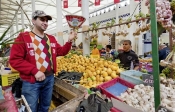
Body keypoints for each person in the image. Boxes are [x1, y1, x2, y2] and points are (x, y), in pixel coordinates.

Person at [9, 10, 77, 112]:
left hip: (49, 79)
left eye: (46, 20)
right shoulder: (23, 37)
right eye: (42, 19)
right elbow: (14, 60)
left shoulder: (51, 39)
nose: (45, 22)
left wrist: (69, 41)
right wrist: (34, 71)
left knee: (45, 106)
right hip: (31, 81)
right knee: (31, 108)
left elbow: (61, 51)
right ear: (33, 21)